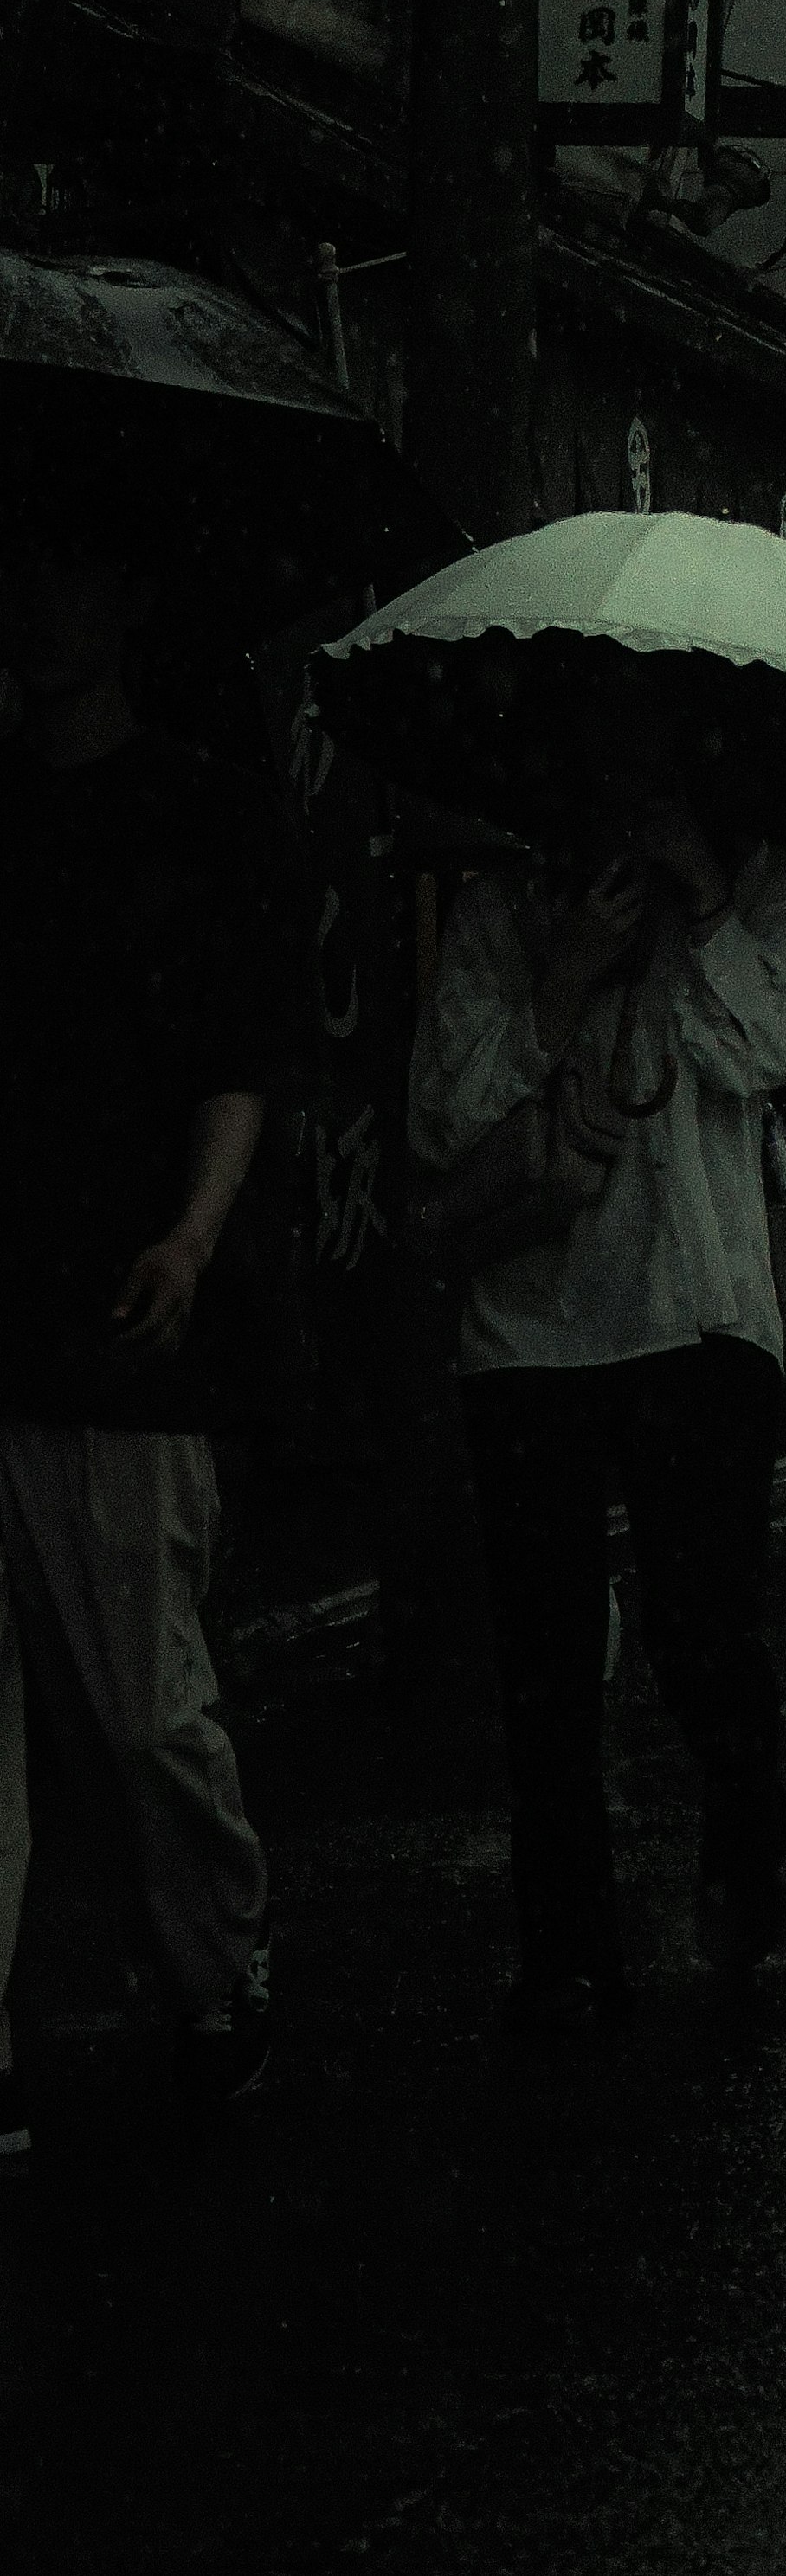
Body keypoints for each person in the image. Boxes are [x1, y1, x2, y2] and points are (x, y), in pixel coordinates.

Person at [409, 656, 786, 2034]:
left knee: (702, 1628)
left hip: (699, 1307)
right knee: (547, 1663)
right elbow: (443, 1116)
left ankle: (744, 1843)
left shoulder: (757, 881)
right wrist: (558, 977)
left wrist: (709, 901)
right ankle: (568, 1953)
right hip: (528, 1333)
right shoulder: (502, 906)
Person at [0, 496, 312, 2139]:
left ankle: (215, 1972)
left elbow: (242, 1056)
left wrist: (192, 1236)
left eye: (65, 566)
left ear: (123, 598)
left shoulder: (205, 816)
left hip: (127, 1322)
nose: (35, 606)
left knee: (141, 1708)